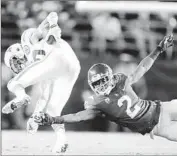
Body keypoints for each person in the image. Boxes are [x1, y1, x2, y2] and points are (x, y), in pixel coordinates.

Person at [34, 34, 177, 142]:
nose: (101, 86)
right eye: (97, 83)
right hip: (157, 128)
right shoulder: (97, 103)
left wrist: (158, 50)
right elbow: (78, 116)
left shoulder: (121, 81)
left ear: (109, 77)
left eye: (103, 81)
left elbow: (142, 68)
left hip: (162, 108)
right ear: (92, 86)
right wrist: (54, 120)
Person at [2, 12, 81, 153]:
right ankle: (62, 141)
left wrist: (52, 23)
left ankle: (21, 96)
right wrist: (34, 117)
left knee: (13, 84)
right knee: (53, 110)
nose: (17, 67)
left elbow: (50, 18)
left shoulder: (27, 40)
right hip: (72, 67)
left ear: (18, 52)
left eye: (15, 62)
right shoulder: (40, 66)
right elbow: (45, 94)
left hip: (56, 58)